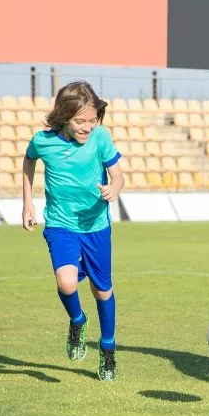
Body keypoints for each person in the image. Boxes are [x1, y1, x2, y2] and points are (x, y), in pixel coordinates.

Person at [22, 81, 125, 380]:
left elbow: (118, 175)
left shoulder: (101, 138)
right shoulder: (43, 141)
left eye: (92, 120)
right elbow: (28, 161)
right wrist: (28, 204)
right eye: (81, 121)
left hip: (96, 227)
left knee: (102, 290)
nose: (87, 127)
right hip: (60, 224)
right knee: (67, 284)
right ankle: (77, 321)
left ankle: (107, 350)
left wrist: (113, 188)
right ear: (64, 116)